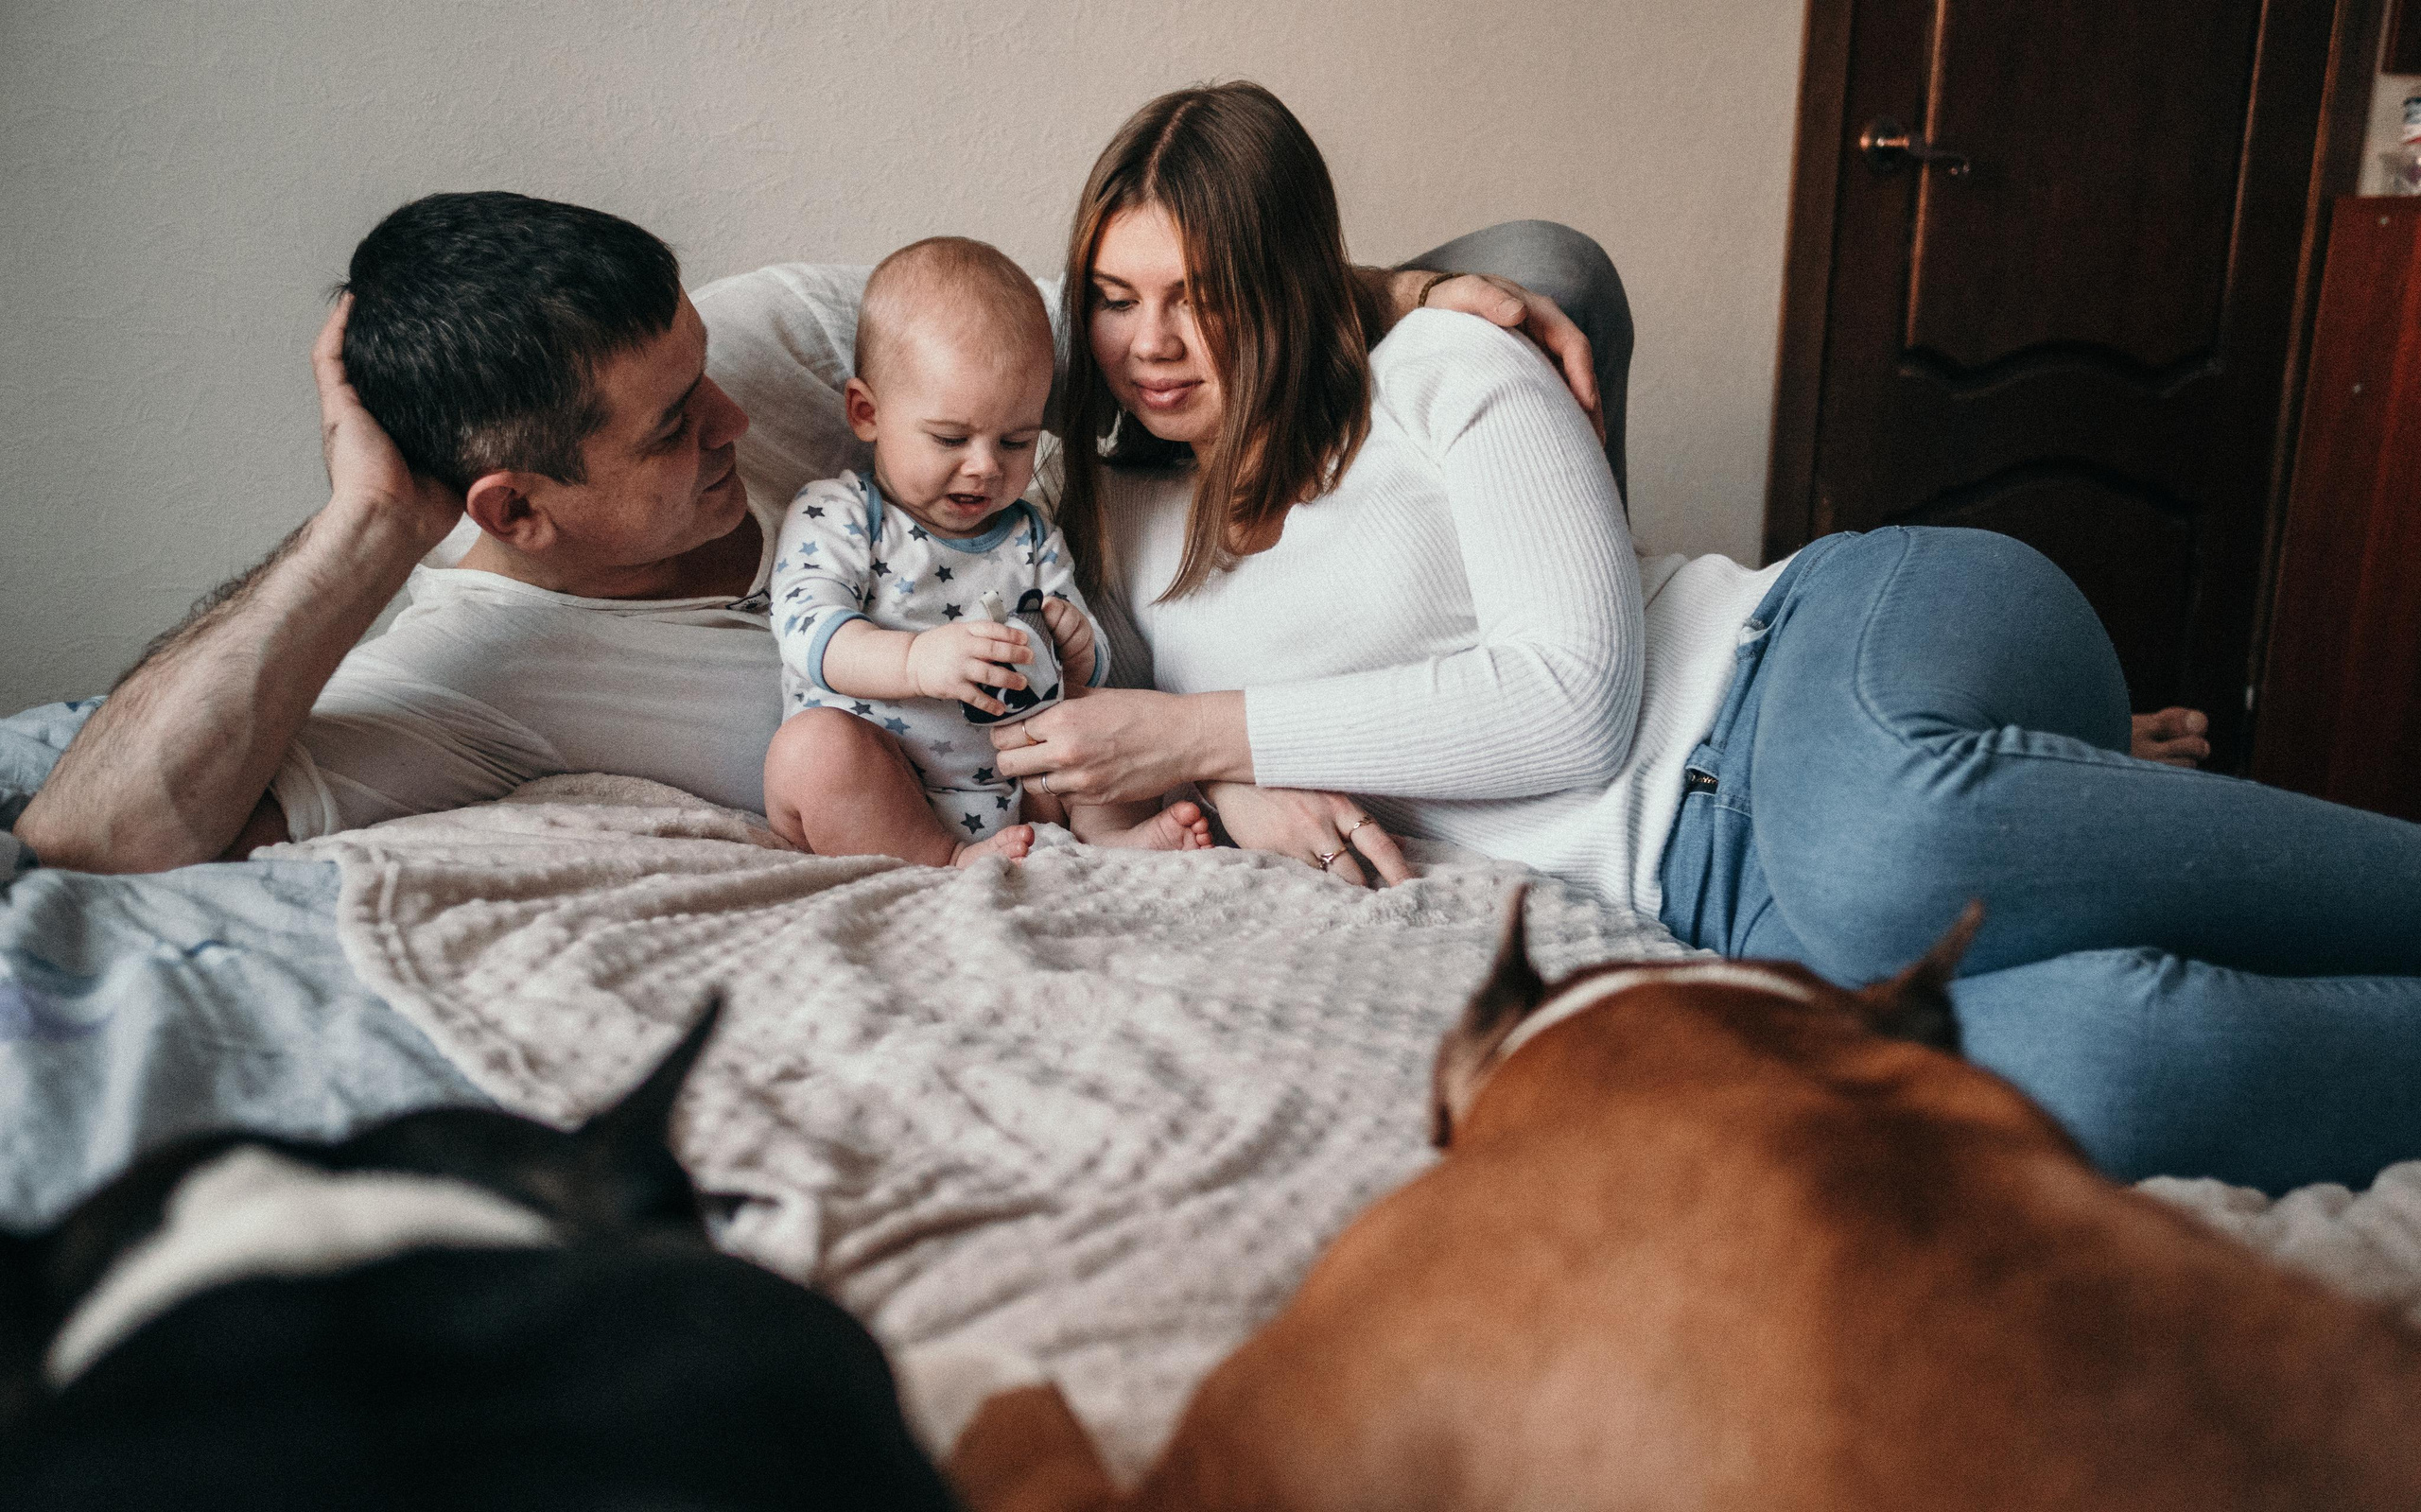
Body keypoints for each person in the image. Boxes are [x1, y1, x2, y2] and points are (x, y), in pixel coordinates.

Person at [979, 80, 2421, 1193]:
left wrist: (1210, 732)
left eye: (1200, 295)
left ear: (1291, 287)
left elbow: (1576, 706)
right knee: (2104, 1072)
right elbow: (1071, 755)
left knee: (1887, 842)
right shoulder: (1109, 518)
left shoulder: (1449, 362)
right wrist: (1225, 786)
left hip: (1824, 651)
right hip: (1720, 896)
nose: (1151, 341)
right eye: (1115, 297)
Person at [11, 191, 1604, 876]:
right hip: (1076, 782)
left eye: (704, 377)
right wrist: (366, 524)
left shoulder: (781, 351)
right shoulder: (469, 668)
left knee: (1548, 267)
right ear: (515, 508)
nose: (732, 424)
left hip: (1169, 646)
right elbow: (92, 835)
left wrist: (1385, 293)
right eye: (666, 431)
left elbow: (1088, 324)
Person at [759, 237, 1210, 866]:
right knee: (813, 751)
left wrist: (1082, 654)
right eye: (950, 438)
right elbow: (809, 633)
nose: (984, 468)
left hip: (1020, 788)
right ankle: (944, 858)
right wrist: (918, 661)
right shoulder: (839, 512)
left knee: (1092, 715)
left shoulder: (1028, 533)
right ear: (867, 413)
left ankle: (1110, 837)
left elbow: (1077, 650)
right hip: (882, 788)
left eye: (1015, 441)